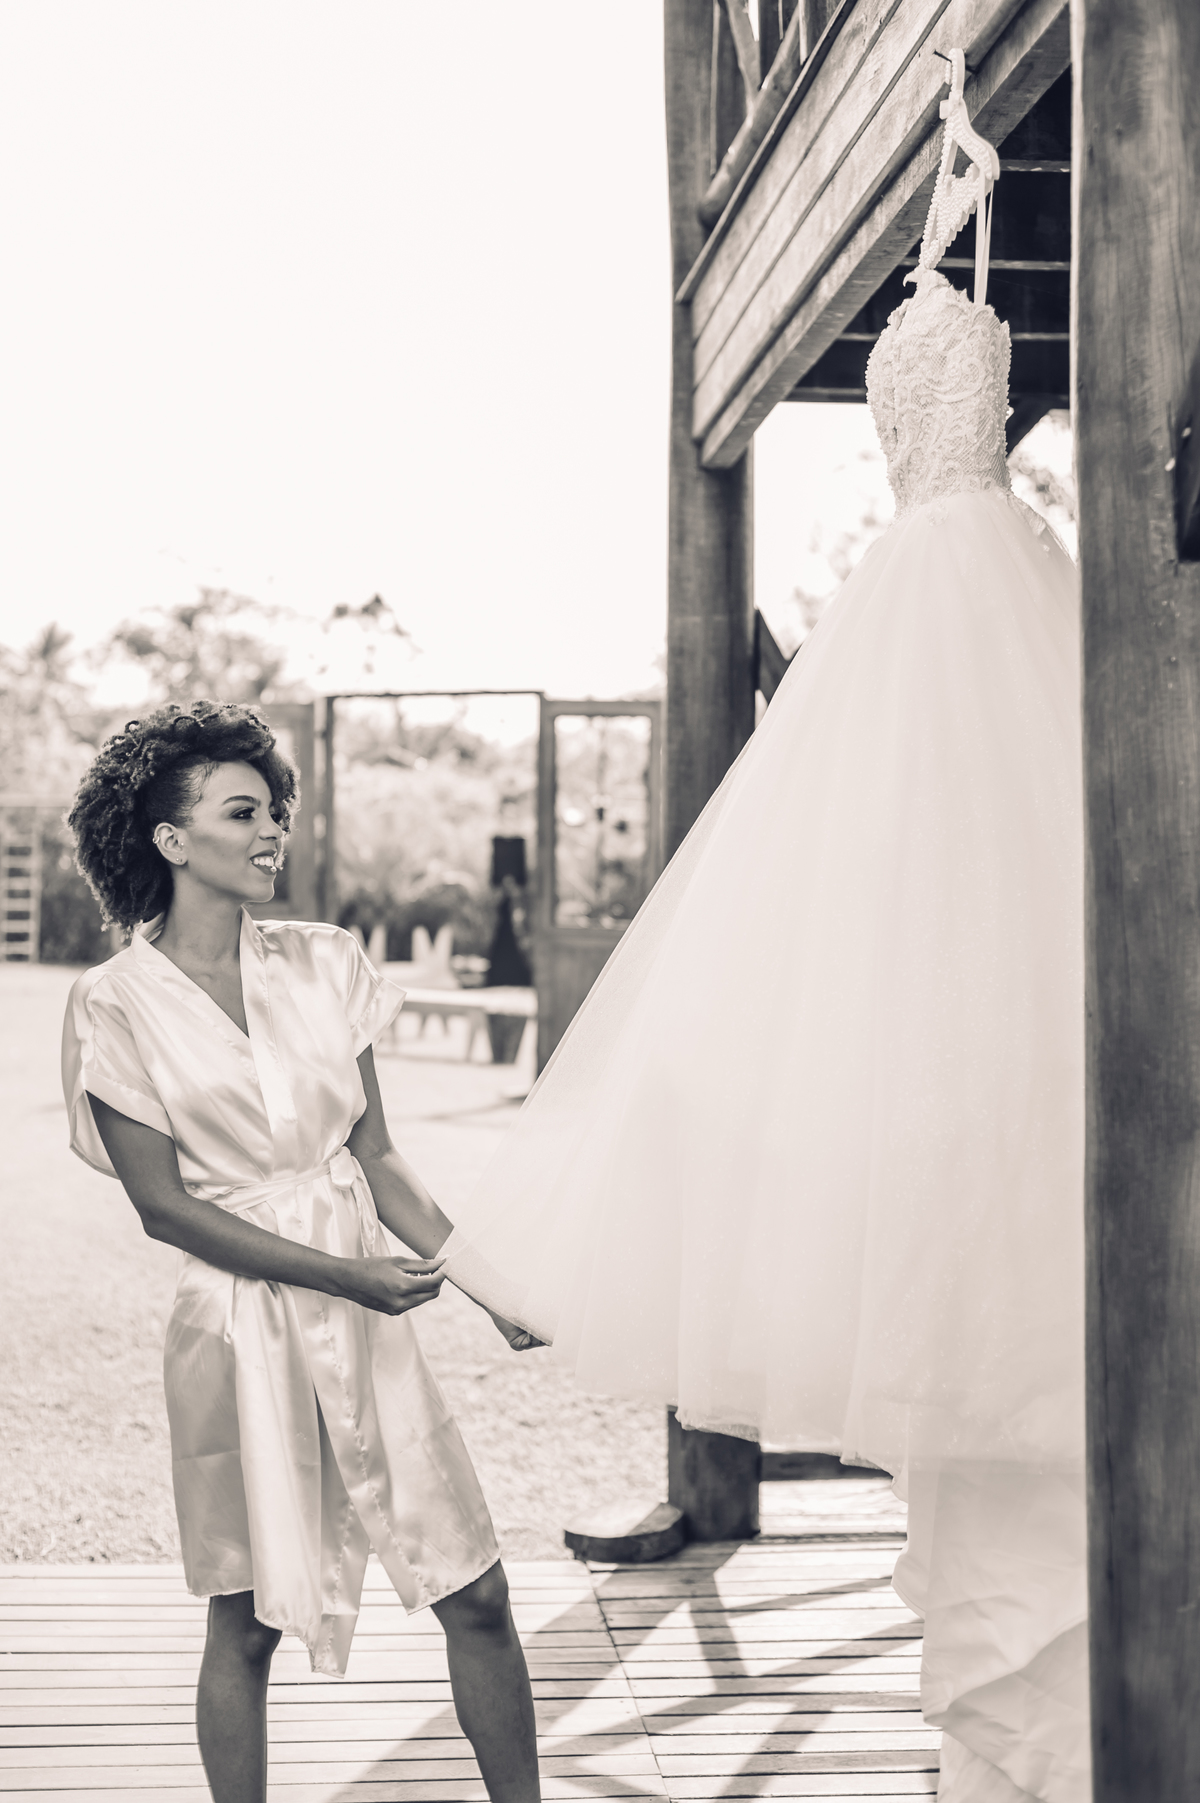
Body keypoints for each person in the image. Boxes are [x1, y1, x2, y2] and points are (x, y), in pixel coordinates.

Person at [438, 54, 1087, 1803]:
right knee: (938, 924)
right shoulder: (957, 253)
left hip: (953, 586)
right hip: (949, 584)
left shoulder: (962, 262)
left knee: (987, 908)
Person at [61, 701, 541, 1803]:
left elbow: (378, 1155)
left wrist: (490, 1285)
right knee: (246, 1619)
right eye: (243, 811)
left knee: (476, 1589)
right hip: (236, 1331)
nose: (273, 828)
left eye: (274, 807)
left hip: (367, 1320)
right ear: (171, 839)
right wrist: (345, 1276)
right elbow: (163, 1208)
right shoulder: (113, 1003)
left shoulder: (329, 961)